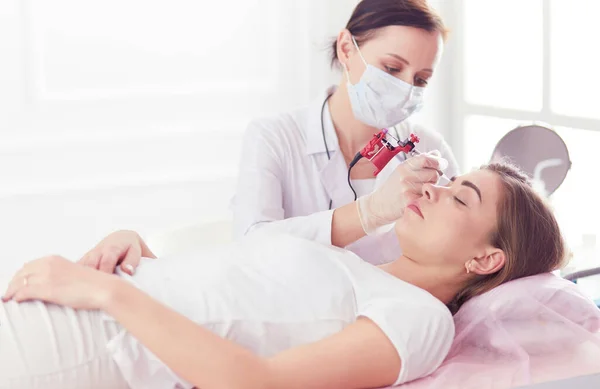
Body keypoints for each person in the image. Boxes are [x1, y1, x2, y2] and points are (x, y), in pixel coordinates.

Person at [1, 162, 566, 389]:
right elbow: (232, 283)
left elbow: (259, 383)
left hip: (93, 344)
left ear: (486, 259)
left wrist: (107, 295)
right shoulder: (356, 264)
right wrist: (139, 254)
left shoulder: (419, 320)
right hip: (75, 302)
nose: (435, 190)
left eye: (460, 198)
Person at [230, 0, 460, 265]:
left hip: (393, 302)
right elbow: (252, 246)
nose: (406, 89)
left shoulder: (431, 146)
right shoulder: (274, 137)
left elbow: (462, 248)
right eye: (392, 68)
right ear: (347, 49)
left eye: (420, 79)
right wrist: (368, 212)